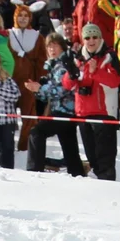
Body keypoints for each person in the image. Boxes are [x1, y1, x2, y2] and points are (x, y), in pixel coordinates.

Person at [62, 23, 120, 180]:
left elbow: (115, 81)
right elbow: (68, 85)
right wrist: (71, 74)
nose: (91, 41)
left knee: (105, 159)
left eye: (95, 37)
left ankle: (109, 189)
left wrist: (96, 72)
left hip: (104, 113)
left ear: (100, 38)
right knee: (92, 157)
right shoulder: (78, 58)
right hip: (83, 113)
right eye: (87, 37)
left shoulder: (109, 56)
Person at [25, 32, 85, 176]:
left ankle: (34, 170)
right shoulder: (54, 66)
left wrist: (40, 88)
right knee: (69, 147)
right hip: (62, 111)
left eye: (55, 45)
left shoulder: (63, 65)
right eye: (49, 46)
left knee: (36, 133)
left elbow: (62, 90)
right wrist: (38, 89)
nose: (52, 49)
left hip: (65, 111)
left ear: (62, 47)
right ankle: (78, 174)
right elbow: (50, 94)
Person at [8, 3, 47, 151]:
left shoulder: (37, 37)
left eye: (26, 16)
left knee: (29, 115)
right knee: (8, 116)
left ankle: (25, 145)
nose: (23, 18)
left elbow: (41, 61)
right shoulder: (8, 34)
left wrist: (38, 81)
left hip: (28, 82)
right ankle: (7, 144)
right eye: (20, 15)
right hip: (11, 82)